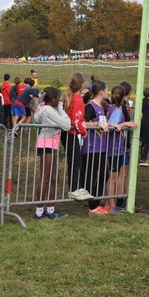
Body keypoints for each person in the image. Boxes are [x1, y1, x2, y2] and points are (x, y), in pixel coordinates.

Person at [33, 87, 70, 220]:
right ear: (53, 99)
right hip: (46, 144)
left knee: (53, 177)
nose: (59, 100)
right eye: (57, 98)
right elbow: (67, 125)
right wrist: (60, 107)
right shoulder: (48, 110)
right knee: (45, 177)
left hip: (51, 144)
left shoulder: (44, 108)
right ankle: (39, 212)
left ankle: (50, 209)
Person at [103, 85, 137, 214]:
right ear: (123, 98)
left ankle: (109, 203)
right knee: (113, 177)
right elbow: (111, 126)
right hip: (115, 148)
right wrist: (125, 124)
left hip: (115, 147)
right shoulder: (117, 110)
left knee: (113, 176)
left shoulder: (111, 108)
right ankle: (111, 205)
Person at [61, 72, 92, 201]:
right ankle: (74, 189)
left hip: (67, 133)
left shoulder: (70, 97)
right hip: (71, 134)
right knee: (76, 162)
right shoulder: (78, 99)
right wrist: (84, 132)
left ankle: (74, 188)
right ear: (82, 84)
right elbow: (76, 121)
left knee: (74, 162)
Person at [82, 81, 111, 214]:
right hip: (91, 148)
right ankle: (92, 206)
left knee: (104, 174)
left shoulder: (101, 107)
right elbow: (83, 123)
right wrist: (96, 124)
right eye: (106, 90)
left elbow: (103, 123)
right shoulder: (90, 106)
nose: (108, 92)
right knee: (92, 176)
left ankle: (97, 203)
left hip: (102, 147)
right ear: (101, 92)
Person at [138, 87, 149, 166]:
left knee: (143, 141)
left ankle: (142, 157)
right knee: (147, 141)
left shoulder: (141, 101)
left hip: (141, 123)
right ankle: (144, 158)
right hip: (147, 124)